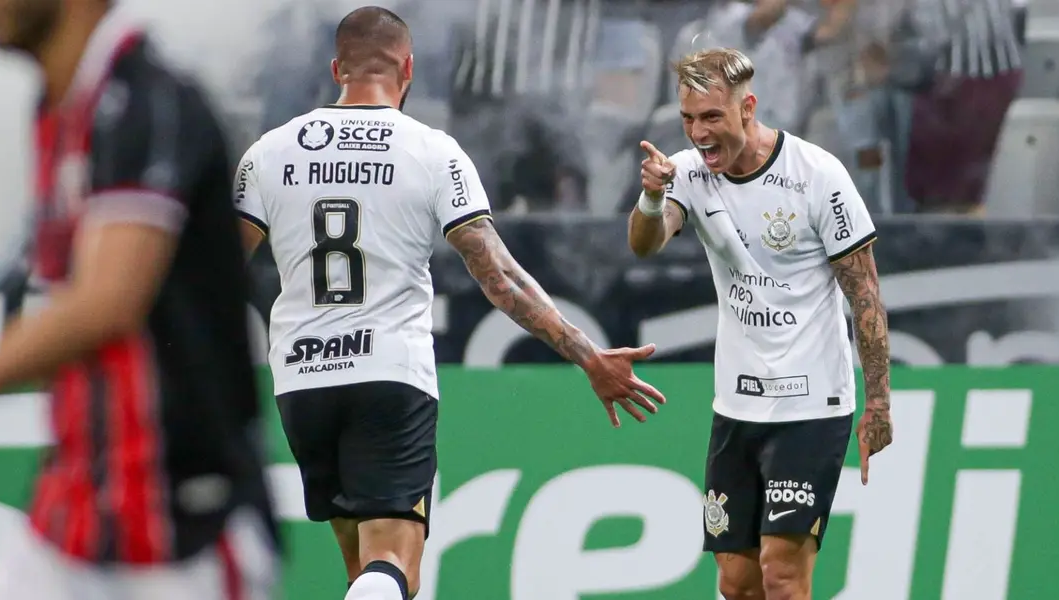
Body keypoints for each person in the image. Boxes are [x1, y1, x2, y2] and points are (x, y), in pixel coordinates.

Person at [234, 6, 665, 600]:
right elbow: (501, 279)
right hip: (388, 375)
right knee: (393, 569)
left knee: (363, 572)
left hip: (302, 382)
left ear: (337, 69)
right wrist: (589, 355)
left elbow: (217, 267)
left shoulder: (268, 152)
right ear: (408, 69)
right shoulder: (432, 151)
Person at [0, 1, 279, 599]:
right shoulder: (59, 109)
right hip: (72, 516)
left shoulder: (146, 101)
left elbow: (106, 303)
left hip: (180, 532)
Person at [627, 48, 893, 600]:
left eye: (712, 118)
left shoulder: (818, 175)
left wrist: (879, 403)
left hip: (811, 404)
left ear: (747, 108)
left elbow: (865, 293)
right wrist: (652, 198)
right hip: (737, 404)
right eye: (688, 119)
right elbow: (646, 243)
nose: (699, 134)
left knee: (783, 574)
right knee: (738, 582)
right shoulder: (688, 175)